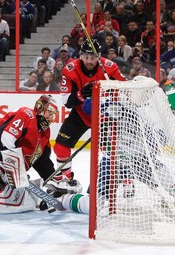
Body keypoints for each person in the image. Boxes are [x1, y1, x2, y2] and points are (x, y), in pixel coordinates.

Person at [0, 94, 88, 214]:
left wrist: (54, 179)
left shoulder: (45, 133)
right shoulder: (27, 114)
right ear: (40, 107)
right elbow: (3, 139)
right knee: (14, 193)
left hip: (3, 165)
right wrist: (13, 169)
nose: (50, 117)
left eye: (53, 114)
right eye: (49, 112)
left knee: (21, 199)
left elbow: (42, 162)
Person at [48, 39, 126, 195]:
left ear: (99, 57)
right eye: (86, 57)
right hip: (81, 114)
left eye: (93, 58)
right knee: (60, 147)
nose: (89, 61)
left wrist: (110, 93)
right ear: (80, 56)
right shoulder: (70, 70)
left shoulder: (110, 68)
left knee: (111, 152)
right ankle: (67, 180)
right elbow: (66, 101)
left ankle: (122, 180)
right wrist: (81, 93)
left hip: (105, 115)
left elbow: (126, 90)